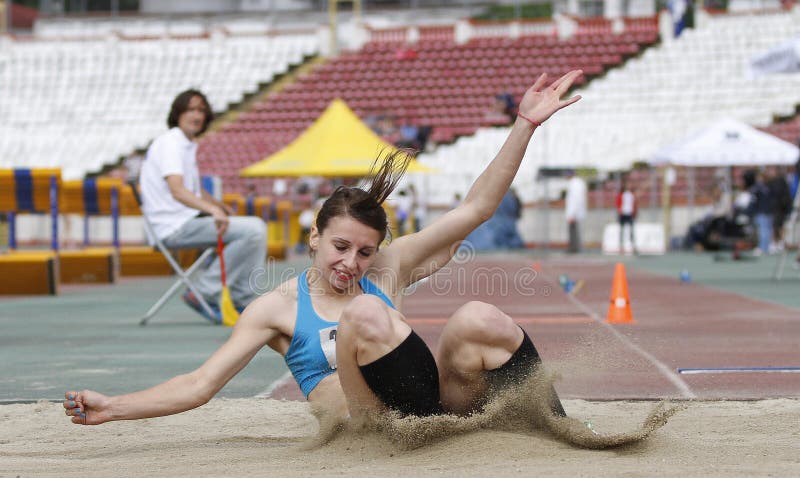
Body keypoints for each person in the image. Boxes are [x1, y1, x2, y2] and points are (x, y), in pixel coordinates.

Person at [63, 71, 582, 427]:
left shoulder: (387, 267)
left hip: (433, 412)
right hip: (373, 431)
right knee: (363, 315)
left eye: (364, 252)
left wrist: (525, 126)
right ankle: (425, 432)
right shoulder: (276, 308)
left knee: (478, 316)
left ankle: (558, 428)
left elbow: (475, 209)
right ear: (313, 237)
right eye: (340, 247)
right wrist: (114, 406)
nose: (350, 264)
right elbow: (201, 383)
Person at [139, 89, 267, 323]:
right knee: (254, 230)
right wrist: (213, 210)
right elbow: (177, 190)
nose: (196, 115)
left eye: (201, 110)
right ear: (177, 113)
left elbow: (194, 190)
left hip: (184, 221)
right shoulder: (171, 143)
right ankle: (209, 292)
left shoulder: (185, 144)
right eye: (190, 109)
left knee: (252, 229)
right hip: (172, 227)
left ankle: (239, 298)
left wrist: (219, 206)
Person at [564, 171, 587, 253]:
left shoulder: (575, 184)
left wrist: (572, 214)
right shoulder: (576, 183)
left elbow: (575, 200)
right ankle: (574, 247)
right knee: (574, 230)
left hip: (574, 213)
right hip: (575, 212)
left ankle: (574, 248)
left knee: (573, 231)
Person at [616, 179, 638, 255]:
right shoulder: (621, 194)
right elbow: (618, 203)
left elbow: (634, 204)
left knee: (631, 231)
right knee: (622, 231)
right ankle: (621, 247)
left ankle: (633, 246)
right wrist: (619, 211)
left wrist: (635, 213)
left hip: (630, 214)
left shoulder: (632, 194)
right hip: (623, 214)